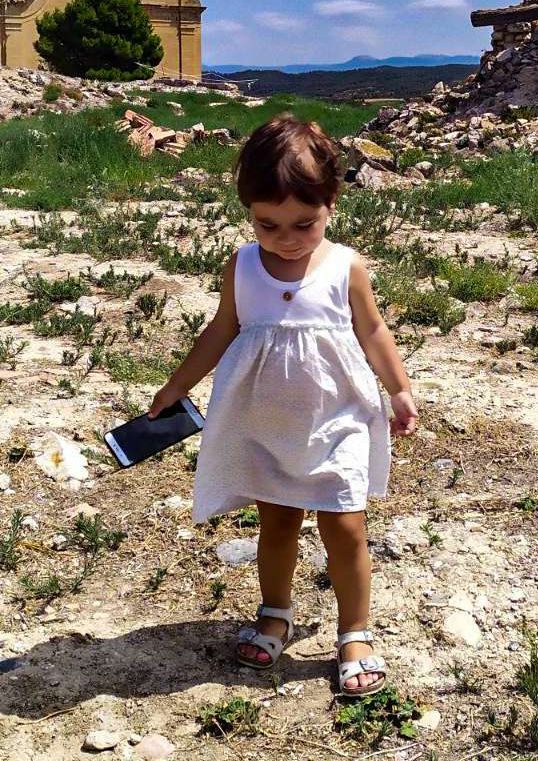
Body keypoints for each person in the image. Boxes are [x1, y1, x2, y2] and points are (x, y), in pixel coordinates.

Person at [148, 113, 419, 696]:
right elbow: (222, 329)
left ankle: (354, 631)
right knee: (276, 524)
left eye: (304, 223)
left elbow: (373, 332)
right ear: (249, 212)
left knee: (345, 526)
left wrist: (398, 387)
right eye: (268, 225)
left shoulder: (346, 267)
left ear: (332, 206)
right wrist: (178, 385)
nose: (287, 239)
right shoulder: (243, 266)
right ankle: (276, 611)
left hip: (337, 418)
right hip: (266, 424)